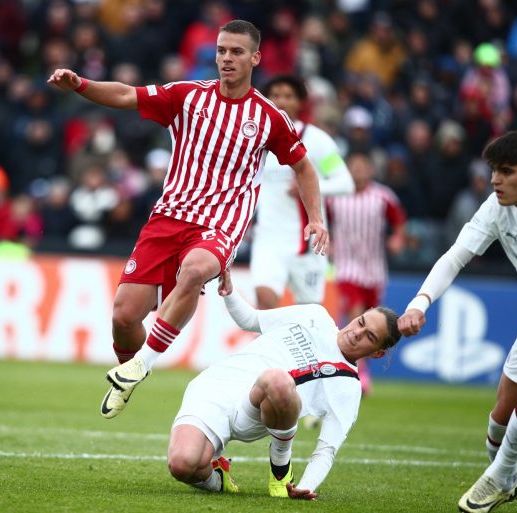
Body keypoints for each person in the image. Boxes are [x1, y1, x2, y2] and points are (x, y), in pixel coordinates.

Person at [49, 20, 328, 419]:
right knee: (124, 317)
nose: (226, 59)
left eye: (235, 52)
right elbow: (128, 94)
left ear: (255, 58)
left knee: (196, 268)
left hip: (221, 223)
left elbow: (304, 168)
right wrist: (81, 85)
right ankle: (132, 367)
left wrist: (316, 218)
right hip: (168, 218)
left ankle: (141, 364)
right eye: (221, 51)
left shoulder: (269, 117)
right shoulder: (188, 96)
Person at [397, 130, 517, 513]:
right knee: (498, 423)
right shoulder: (495, 209)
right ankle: (505, 475)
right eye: (493, 171)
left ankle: (499, 476)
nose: (495, 180)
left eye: (506, 171)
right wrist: (419, 304)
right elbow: (454, 257)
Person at [167, 270, 401, 498]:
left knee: (276, 379)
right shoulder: (315, 315)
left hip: (255, 408)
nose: (357, 332)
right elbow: (250, 319)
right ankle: (217, 480)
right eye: (361, 322)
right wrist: (229, 291)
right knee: (182, 465)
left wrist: (306, 485)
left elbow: (326, 450)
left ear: (378, 353)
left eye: (369, 336)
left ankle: (281, 469)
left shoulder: (348, 386)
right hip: (216, 384)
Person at [250, 75, 354, 310]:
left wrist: (307, 188)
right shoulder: (254, 139)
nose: (281, 102)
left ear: (300, 102)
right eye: (275, 96)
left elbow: (345, 183)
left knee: (309, 314)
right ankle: (270, 347)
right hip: (268, 238)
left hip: (307, 243)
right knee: (265, 301)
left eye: (288, 96)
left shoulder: (318, 141)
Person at [326, 151, 406, 394]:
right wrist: (327, 241)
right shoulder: (335, 197)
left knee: (373, 324)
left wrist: (397, 238)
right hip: (347, 267)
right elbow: (321, 218)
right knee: (356, 312)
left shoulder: (382, 196)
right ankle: (357, 372)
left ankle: (355, 366)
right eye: (354, 166)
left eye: (362, 166)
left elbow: (399, 220)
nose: (358, 170)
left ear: (370, 169)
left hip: (374, 269)